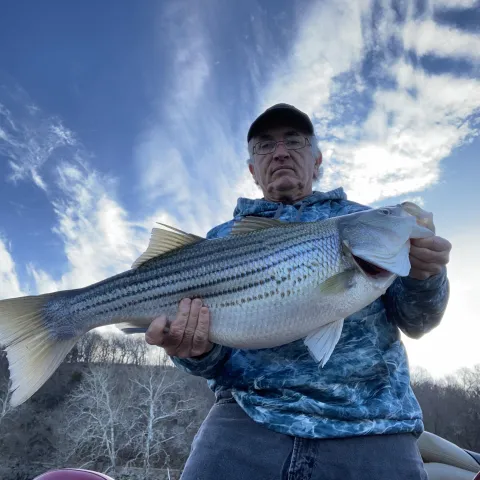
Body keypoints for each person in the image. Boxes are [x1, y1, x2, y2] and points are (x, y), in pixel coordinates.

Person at [145, 104, 452, 479]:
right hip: (244, 419)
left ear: (317, 159)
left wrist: (426, 275)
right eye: (264, 145)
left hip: (374, 424)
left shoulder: (363, 221)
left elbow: (418, 321)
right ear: (252, 170)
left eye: (294, 141)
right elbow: (212, 361)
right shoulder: (221, 240)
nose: (280, 152)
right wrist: (195, 352)